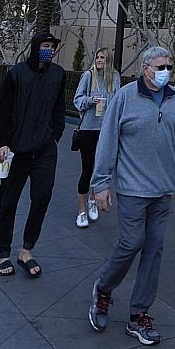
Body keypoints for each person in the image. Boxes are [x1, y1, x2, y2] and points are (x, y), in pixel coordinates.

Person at [87, 45, 175, 346]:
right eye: (160, 67)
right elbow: (108, 140)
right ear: (145, 68)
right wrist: (101, 183)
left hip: (163, 189)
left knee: (154, 249)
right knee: (132, 242)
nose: (165, 72)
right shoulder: (125, 98)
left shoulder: (174, 97)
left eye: (168, 66)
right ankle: (103, 288)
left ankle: (139, 314)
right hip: (132, 188)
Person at [0, 31, 66, 279]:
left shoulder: (58, 74)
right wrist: (1, 142)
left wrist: (55, 134)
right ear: (36, 47)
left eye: (52, 47)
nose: (49, 50)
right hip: (15, 150)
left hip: (44, 149)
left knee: (42, 197)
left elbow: (59, 107)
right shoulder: (17, 74)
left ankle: (26, 250)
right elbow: (2, 109)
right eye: (45, 45)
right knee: (9, 202)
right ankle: (3, 253)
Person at [71, 46, 118, 228]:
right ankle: (82, 210)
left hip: (106, 130)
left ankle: (93, 199)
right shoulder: (88, 76)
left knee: (101, 167)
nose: (99, 60)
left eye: (103, 58)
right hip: (89, 129)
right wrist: (92, 100)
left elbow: (117, 102)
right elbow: (77, 100)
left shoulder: (114, 78)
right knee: (87, 169)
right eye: (97, 57)